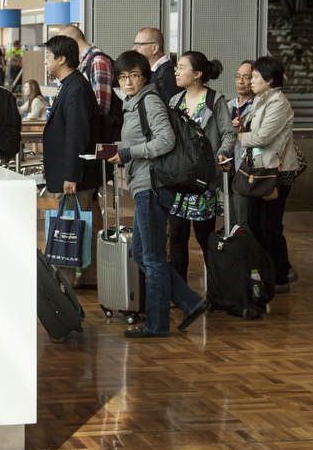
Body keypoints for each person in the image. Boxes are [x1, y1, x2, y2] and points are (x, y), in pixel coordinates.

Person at [106, 50, 209, 338]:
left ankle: (156, 324)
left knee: (150, 257)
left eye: (134, 75)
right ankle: (192, 302)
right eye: (122, 77)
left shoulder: (149, 101)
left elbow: (166, 140)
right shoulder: (133, 104)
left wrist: (128, 152)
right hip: (143, 185)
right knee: (142, 253)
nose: (127, 82)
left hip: (153, 185)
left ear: (144, 76)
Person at [166, 52, 236, 283]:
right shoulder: (174, 102)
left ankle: (218, 288)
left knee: (205, 236)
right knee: (177, 236)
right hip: (179, 179)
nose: (176, 71)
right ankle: (180, 291)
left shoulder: (214, 100)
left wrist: (222, 153)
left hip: (204, 181)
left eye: (182, 67)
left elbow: (228, 133)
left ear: (197, 74)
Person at [234, 56, 300, 292]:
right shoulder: (261, 99)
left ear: (270, 80)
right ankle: (266, 272)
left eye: (255, 76)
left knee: (270, 226)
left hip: (276, 171)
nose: (250, 80)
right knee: (255, 223)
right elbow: (256, 134)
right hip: (259, 168)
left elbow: (262, 137)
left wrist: (241, 137)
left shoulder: (278, 103)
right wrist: (243, 131)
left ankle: (281, 276)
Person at [42, 35, 101, 286]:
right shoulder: (70, 84)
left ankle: (63, 284)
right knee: (83, 226)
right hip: (72, 173)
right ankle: (90, 276)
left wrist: (71, 175)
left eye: (47, 56)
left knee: (69, 227)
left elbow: (77, 135)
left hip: (74, 176)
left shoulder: (76, 87)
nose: (45, 61)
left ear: (61, 58)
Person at [59, 24, 112, 115]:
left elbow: (101, 106)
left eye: (61, 44)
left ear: (70, 42)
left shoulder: (97, 61)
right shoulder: (80, 62)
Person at [228, 60, 255, 226]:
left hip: (247, 171)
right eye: (238, 77)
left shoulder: (257, 106)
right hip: (229, 170)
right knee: (231, 219)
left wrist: (242, 132)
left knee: (244, 221)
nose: (240, 81)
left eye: (246, 77)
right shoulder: (229, 105)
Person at [132, 27, 178, 103]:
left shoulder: (169, 74)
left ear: (155, 48)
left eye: (139, 45)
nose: (134, 49)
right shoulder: (148, 71)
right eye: (135, 44)